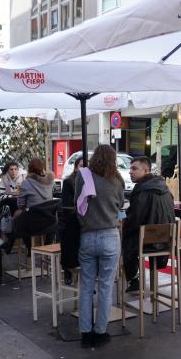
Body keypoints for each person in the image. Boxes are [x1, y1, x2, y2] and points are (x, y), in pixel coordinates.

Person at [74, 145, 124, 348]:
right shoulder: (118, 180)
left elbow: (78, 204)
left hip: (87, 236)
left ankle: (86, 334)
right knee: (105, 286)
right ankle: (101, 332)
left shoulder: (83, 176)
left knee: (86, 287)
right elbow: (120, 205)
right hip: (110, 236)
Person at [122, 156, 176, 293]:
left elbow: (133, 219)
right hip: (167, 240)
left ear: (146, 171)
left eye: (134, 169)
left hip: (149, 242)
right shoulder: (164, 187)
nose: (130, 172)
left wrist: (120, 219)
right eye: (130, 168)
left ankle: (133, 280)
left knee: (126, 238)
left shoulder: (142, 190)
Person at [59, 157, 83, 285]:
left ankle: (86, 275)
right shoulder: (69, 182)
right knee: (71, 235)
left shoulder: (92, 181)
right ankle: (68, 269)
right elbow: (66, 205)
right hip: (71, 217)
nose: (84, 169)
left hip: (85, 219)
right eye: (81, 166)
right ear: (76, 167)